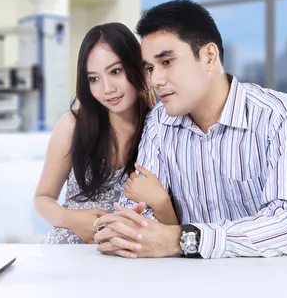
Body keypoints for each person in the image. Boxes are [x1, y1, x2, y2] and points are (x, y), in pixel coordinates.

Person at [95, 0, 287, 259]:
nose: (155, 80)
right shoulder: (159, 122)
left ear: (209, 56)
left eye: (167, 62)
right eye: (150, 68)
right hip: (194, 280)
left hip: (279, 279)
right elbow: (137, 211)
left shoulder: (281, 115)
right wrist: (122, 230)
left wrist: (184, 239)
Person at [34, 22, 179, 244]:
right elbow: (42, 199)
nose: (107, 89)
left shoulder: (161, 129)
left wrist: (161, 203)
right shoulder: (72, 126)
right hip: (66, 254)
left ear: (137, 67)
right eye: (94, 78)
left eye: (115, 71)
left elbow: (173, 231)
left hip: (129, 259)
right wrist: (71, 218)